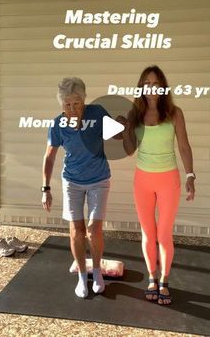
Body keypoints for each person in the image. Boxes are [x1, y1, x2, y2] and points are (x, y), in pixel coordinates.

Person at [117, 65, 195, 305]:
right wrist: (126, 128)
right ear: (141, 86)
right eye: (147, 83)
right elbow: (129, 151)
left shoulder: (174, 113)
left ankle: (165, 280)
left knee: (164, 233)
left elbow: (183, 146)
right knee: (148, 233)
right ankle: (151, 277)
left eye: (156, 83)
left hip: (168, 179)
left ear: (163, 86)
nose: (151, 88)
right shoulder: (135, 113)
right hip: (143, 180)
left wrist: (191, 175)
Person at [42, 77, 111, 298]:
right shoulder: (57, 125)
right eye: (67, 105)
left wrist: (122, 125)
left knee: (94, 228)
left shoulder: (98, 113)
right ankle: (82, 275)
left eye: (76, 103)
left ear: (84, 100)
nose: (72, 109)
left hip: (99, 179)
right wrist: (46, 189)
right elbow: (50, 158)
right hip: (72, 181)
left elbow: (116, 136)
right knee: (76, 231)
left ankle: (97, 271)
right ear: (62, 105)